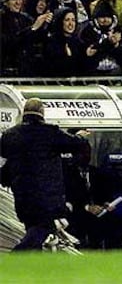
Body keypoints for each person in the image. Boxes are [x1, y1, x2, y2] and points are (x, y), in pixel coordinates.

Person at [0, 98, 88, 251]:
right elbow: (75, 145)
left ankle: (30, 267)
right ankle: (18, 255)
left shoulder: (10, 135)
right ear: (42, 112)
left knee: (32, 227)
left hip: (21, 192)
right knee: (44, 227)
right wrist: (81, 136)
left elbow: (5, 160)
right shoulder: (50, 132)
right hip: (46, 194)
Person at [0, 0, 53, 77]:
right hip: (6, 72)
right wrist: (33, 28)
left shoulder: (25, 18)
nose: (18, 2)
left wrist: (45, 25)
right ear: (4, 1)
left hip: (26, 70)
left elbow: (36, 40)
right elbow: (8, 43)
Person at [78, 0, 122, 75]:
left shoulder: (119, 31)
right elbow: (87, 52)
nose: (105, 20)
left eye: (108, 17)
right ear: (96, 18)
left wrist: (117, 45)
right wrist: (108, 43)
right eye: (102, 17)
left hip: (117, 72)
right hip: (93, 72)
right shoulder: (88, 31)